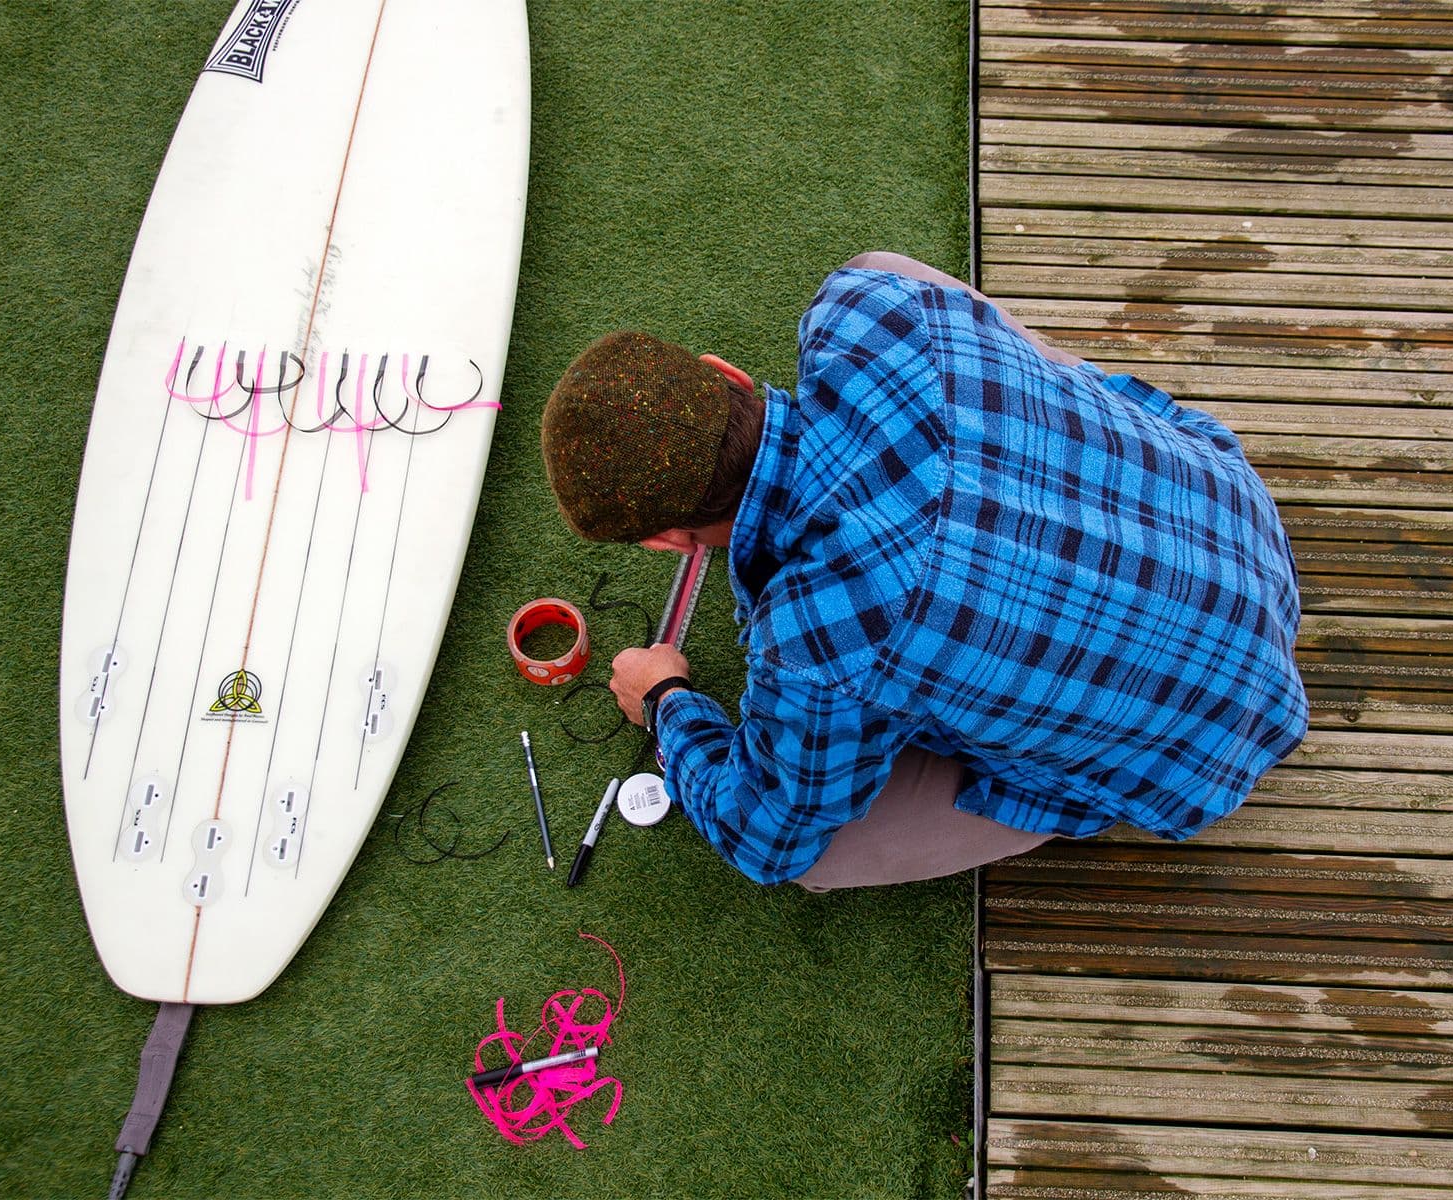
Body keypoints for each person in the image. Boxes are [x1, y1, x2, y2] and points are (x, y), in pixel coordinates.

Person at [540, 252, 1307, 890]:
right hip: (1245, 531)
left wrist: (666, 701)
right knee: (894, 268)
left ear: (669, 543)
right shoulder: (864, 305)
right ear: (728, 374)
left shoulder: (815, 641)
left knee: (814, 854)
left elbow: (764, 837)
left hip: (1201, 754)